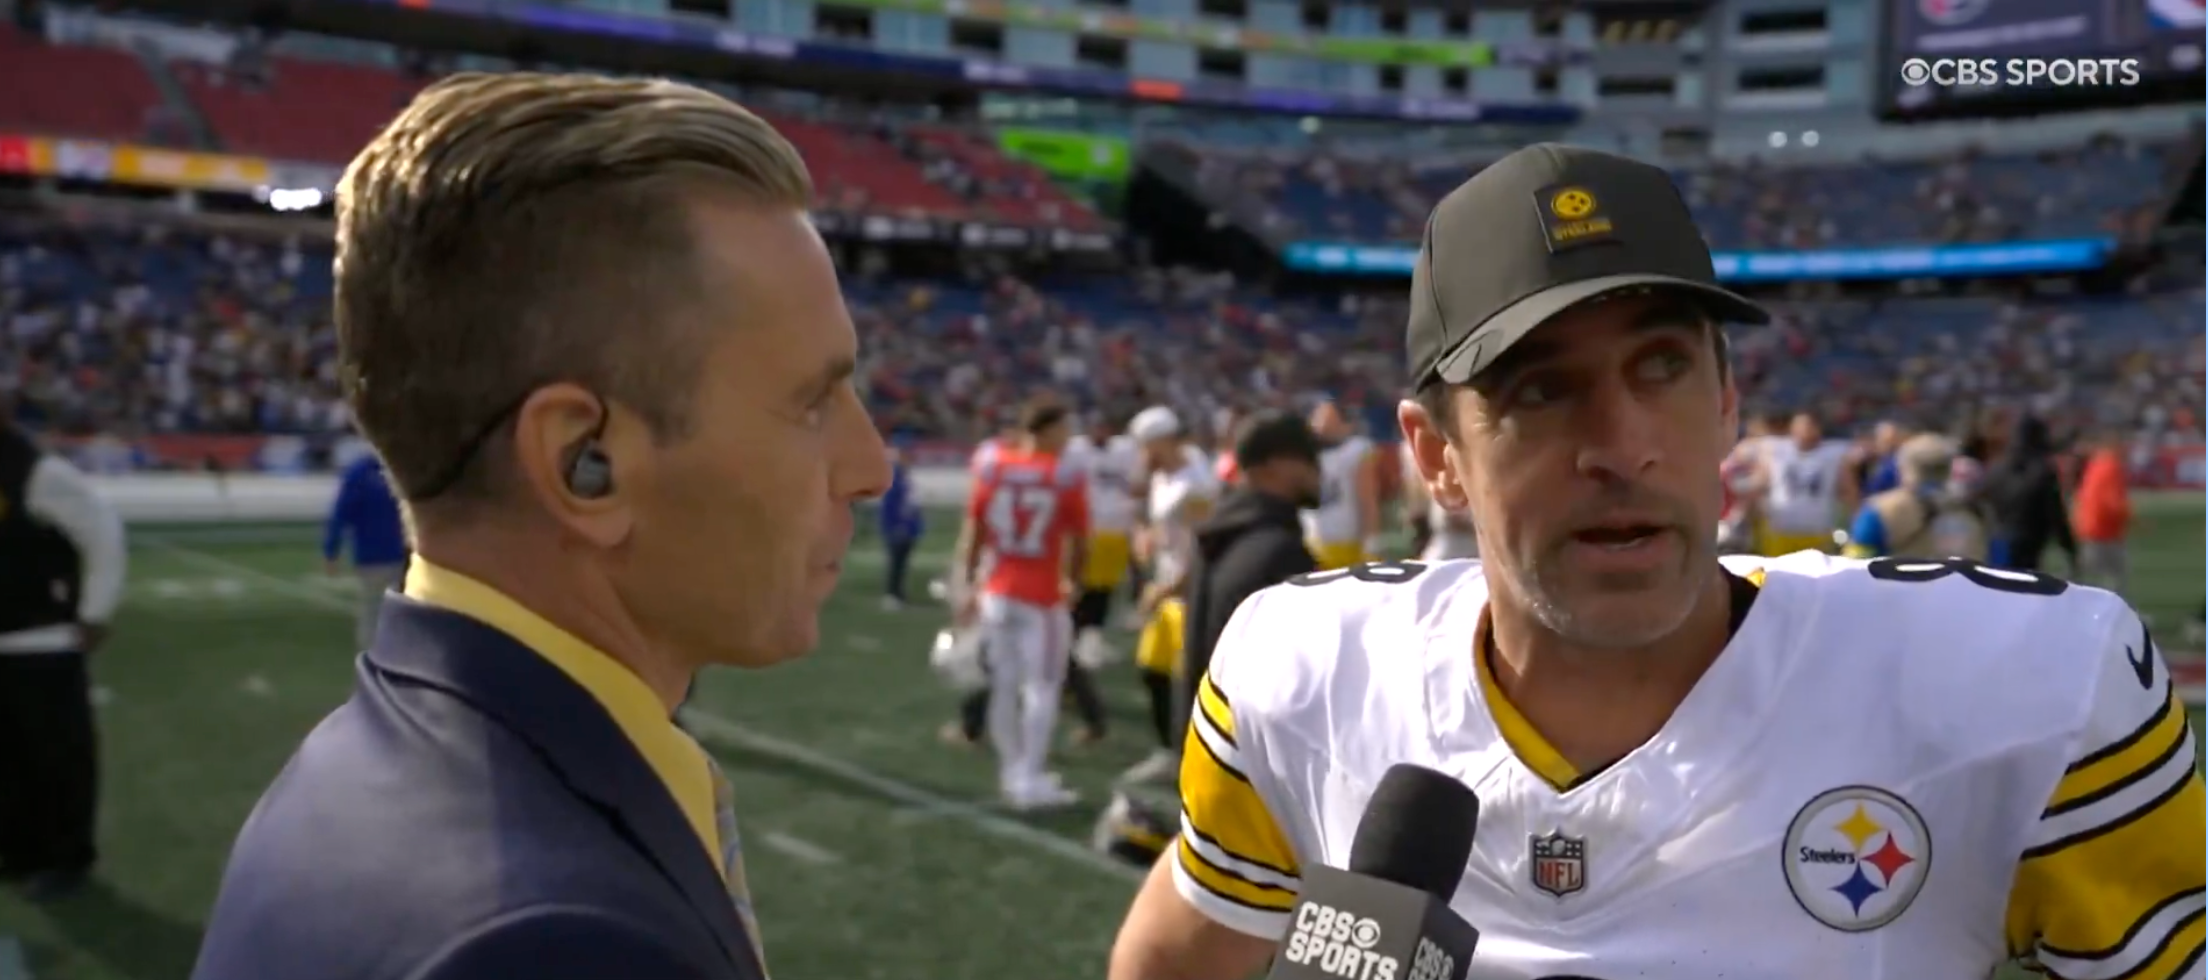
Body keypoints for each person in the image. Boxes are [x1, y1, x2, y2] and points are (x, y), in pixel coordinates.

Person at [1107, 144, 2202, 980]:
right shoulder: (1304, 674)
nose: (1623, 444)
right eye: (1540, 387)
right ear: (1436, 457)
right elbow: (1167, 956)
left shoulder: (2029, 687)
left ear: (1727, 403)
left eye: (1664, 366)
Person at [193, 73, 889, 980]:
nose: (871, 467)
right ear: (582, 464)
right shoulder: (553, 938)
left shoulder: (363, 757)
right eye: (810, 402)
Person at [0, 418, 126, 902]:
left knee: (57, 760)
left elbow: (102, 530)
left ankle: (67, 857)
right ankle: (19, 851)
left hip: (45, 642)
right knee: (10, 762)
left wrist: (95, 612)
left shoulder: (38, 472)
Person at [953, 397, 1091, 808]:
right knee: (1043, 687)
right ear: (1046, 431)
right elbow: (1081, 541)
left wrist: (966, 584)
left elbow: (974, 530)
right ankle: (1028, 779)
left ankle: (1012, 772)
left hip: (998, 590)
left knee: (1003, 685)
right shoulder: (1063, 475)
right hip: (1040, 595)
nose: (1068, 438)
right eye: (1064, 429)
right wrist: (1074, 581)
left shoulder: (993, 467)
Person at [1174, 413, 1322, 743]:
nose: (1318, 469)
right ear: (1273, 466)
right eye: (1308, 457)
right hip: (1252, 758)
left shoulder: (1218, 534)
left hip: (1208, 746)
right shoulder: (1279, 551)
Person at [1121, 405, 1218, 785]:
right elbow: (1153, 517)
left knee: (1190, 684)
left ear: (1163, 441)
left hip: (1187, 592)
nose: (1142, 454)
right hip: (1169, 586)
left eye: (1147, 445)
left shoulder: (1195, 483)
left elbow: (1206, 548)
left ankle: (1192, 758)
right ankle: (1169, 751)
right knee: (1153, 670)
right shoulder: (1170, 470)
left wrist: (1165, 589)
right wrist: (1145, 534)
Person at [1841, 434, 1989, 561]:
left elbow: (1855, 564)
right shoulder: (1976, 511)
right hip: (1959, 593)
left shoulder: (1881, 510)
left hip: (1897, 592)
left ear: (1904, 466)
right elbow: (1996, 562)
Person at [322, 449, 409, 648]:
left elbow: (340, 515)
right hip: (402, 554)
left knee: (373, 612)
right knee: (401, 611)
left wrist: (331, 552)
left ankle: (373, 662)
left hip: (372, 557)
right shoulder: (402, 470)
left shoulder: (359, 473)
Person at [1981, 414, 2079, 574]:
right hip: (2029, 544)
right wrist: (2068, 546)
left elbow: (1986, 503)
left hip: (1998, 538)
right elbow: (2055, 512)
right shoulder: (2042, 470)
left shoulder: (1995, 468)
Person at [1751, 411, 1855, 556]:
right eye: (1800, 425)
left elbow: (1847, 489)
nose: (1805, 430)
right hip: (1780, 528)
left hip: (1817, 529)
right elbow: (1759, 479)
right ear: (1791, 428)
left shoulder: (1834, 453)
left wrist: (1853, 519)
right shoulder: (1775, 449)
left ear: (1818, 428)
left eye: (1809, 425)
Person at [1299, 400, 1382, 570]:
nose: (1321, 424)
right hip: (1313, 542)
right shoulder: (1303, 454)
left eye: (1329, 418)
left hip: (1347, 543)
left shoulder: (1356, 450)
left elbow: (1367, 499)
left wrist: (1370, 541)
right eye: (1318, 417)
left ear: (1345, 425)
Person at [2070, 431, 2133, 595]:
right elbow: (2112, 501)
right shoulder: (2112, 466)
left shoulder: (2096, 464)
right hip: (2105, 529)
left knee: (2088, 574)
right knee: (2115, 575)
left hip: (2090, 526)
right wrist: (2129, 518)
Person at [879, 441, 924, 611]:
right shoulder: (894, 478)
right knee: (895, 562)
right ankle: (891, 594)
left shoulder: (906, 477)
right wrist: (894, 526)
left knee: (902, 563)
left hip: (908, 528)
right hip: (898, 528)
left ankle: (899, 593)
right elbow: (889, 506)